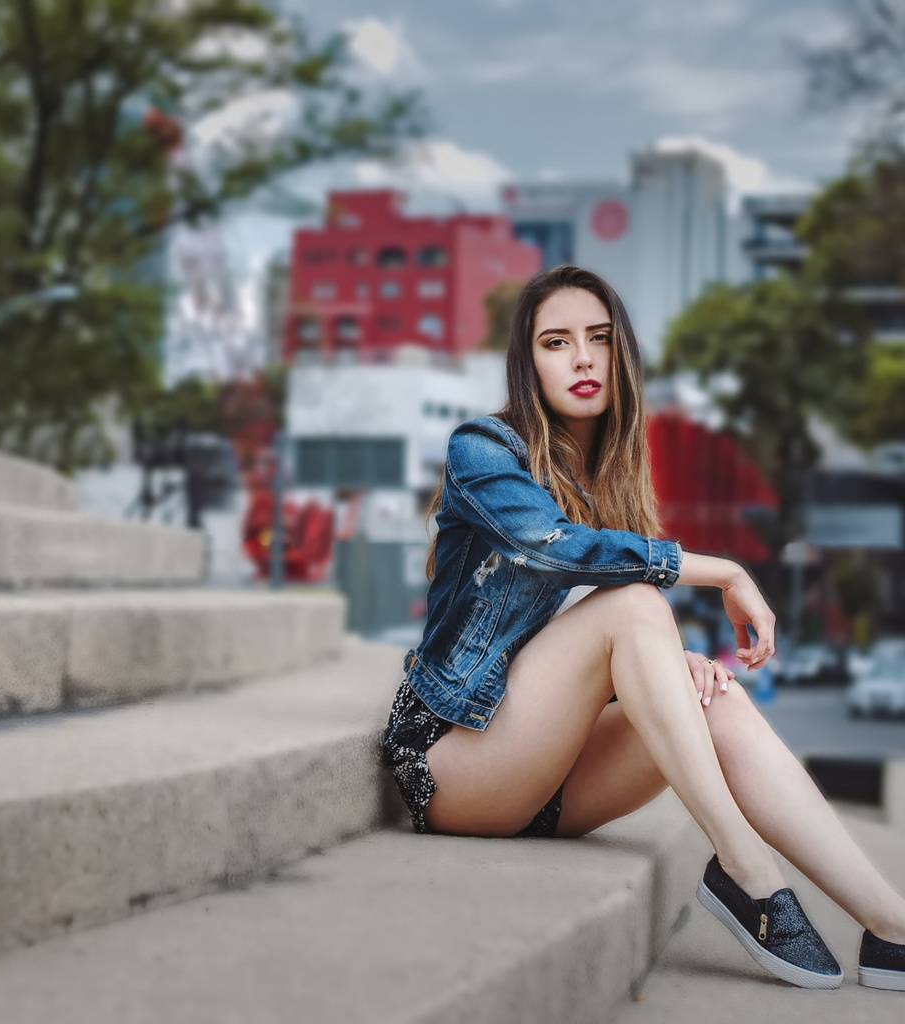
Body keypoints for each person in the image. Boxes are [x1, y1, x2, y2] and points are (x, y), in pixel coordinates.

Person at [382, 265, 905, 991]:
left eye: (598, 339)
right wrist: (722, 572)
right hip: (454, 762)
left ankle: (892, 928)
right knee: (638, 606)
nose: (583, 358)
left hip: (548, 775)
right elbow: (551, 548)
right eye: (556, 342)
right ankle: (746, 869)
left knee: (715, 695)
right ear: (526, 363)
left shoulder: (613, 476)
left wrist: (667, 662)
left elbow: (569, 647)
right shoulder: (483, 449)